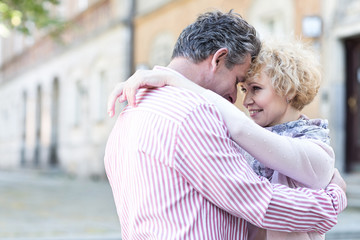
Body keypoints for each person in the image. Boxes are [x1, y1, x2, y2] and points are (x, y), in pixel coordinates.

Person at [104, 10, 347, 240]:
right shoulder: (192, 114)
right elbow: (258, 201)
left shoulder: (131, 112)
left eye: (255, 88)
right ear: (218, 59)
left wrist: (171, 78)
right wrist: (333, 201)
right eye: (239, 83)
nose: (237, 98)